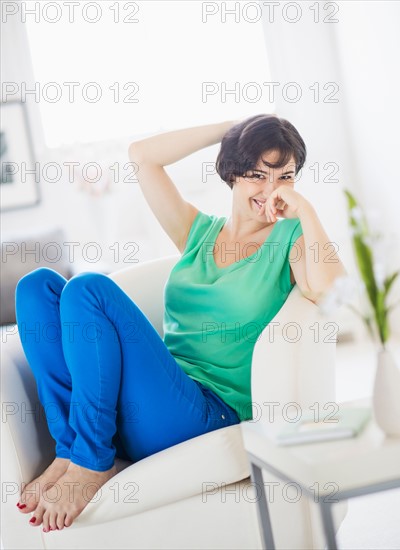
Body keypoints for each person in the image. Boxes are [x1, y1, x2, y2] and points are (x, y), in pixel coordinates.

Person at [15, 114, 346, 532]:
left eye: (285, 176)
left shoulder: (290, 241)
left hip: (205, 412)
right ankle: (71, 448)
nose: (271, 189)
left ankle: (91, 463)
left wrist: (307, 212)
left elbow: (334, 296)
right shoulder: (198, 232)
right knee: (36, 286)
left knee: (88, 290)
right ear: (232, 174)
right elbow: (142, 156)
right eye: (257, 174)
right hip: (147, 403)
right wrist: (231, 130)